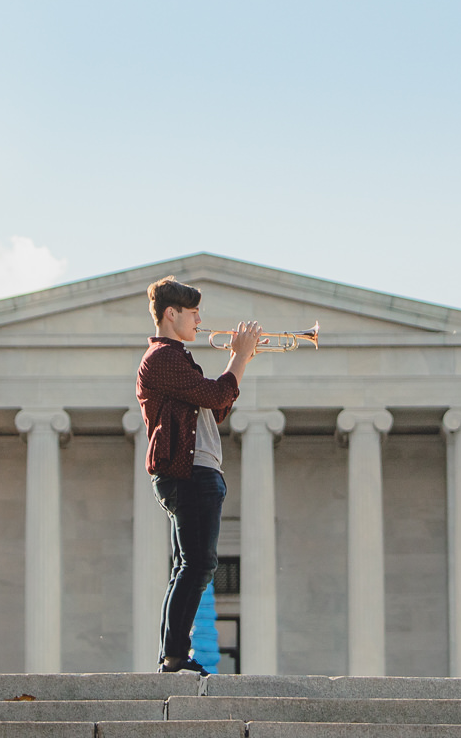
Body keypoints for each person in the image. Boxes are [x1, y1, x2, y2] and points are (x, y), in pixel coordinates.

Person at [135, 276, 258, 675]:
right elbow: (218, 396)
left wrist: (236, 367)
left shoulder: (178, 359)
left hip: (196, 471)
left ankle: (173, 653)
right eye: (193, 313)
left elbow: (215, 408)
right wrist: (238, 359)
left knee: (189, 565)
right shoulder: (163, 358)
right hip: (188, 473)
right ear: (171, 314)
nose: (200, 320)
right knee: (198, 564)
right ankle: (173, 656)